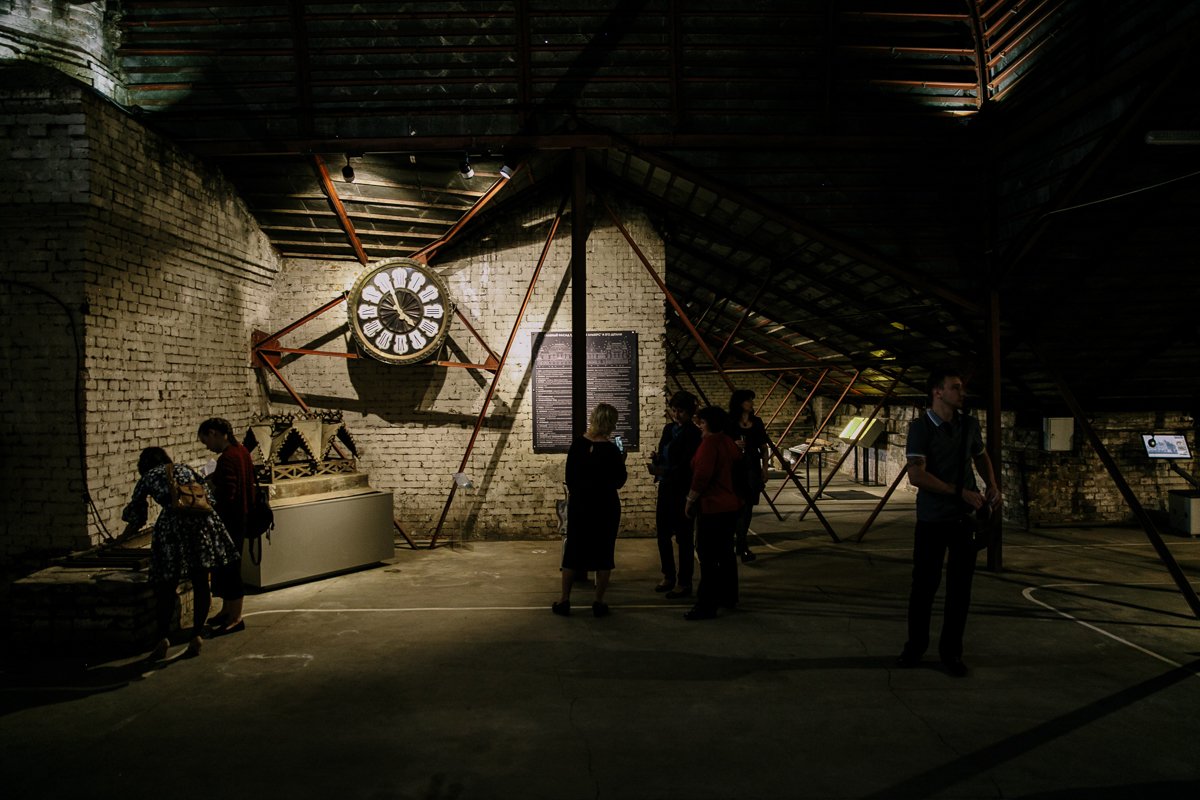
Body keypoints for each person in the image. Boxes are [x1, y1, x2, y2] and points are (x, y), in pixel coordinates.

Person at [897, 367, 1001, 677]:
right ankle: (915, 647)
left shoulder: (969, 425)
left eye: (961, 387)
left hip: (963, 520)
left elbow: (980, 455)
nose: (961, 393)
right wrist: (959, 492)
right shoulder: (921, 428)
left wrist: (992, 484)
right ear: (937, 392)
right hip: (932, 519)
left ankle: (951, 653)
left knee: (960, 590)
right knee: (924, 587)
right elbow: (917, 475)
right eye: (955, 387)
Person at [121, 446, 239, 660]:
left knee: (167, 584)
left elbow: (137, 516)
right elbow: (209, 497)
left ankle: (162, 638)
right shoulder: (185, 469)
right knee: (201, 581)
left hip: (172, 528)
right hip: (201, 524)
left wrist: (122, 537)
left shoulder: (148, 477)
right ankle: (196, 635)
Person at [554, 403, 628, 618]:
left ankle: (564, 600)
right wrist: (622, 461)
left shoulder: (578, 445)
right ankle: (598, 601)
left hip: (581, 505)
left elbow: (570, 479)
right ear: (611, 423)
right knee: (604, 553)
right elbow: (619, 481)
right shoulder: (612, 450)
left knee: (573, 552)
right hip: (606, 506)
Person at [683, 406, 744, 620]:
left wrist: (690, 500)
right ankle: (728, 596)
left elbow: (702, 475)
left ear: (709, 423)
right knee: (726, 554)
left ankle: (706, 604)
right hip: (730, 505)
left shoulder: (709, 444)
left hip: (713, 505)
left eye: (701, 422)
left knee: (708, 557)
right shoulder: (727, 441)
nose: (699, 425)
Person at [199, 417, 256, 636]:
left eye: (206, 440)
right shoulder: (242, 451)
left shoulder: (228, 457)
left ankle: (235, 618)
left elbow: (228, 493)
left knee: (230, 569)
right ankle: (227, 610)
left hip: (229, 521)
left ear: (213, 433)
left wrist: (212, 491)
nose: (207, 446)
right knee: (227, 568)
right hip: (242, 517)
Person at [648, 390, 701, 599]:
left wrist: (665, 471)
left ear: (690, 412)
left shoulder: (694, 434)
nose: (677, 415)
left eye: (681, 411)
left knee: (684, 537)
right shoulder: (669, 429)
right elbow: (665, 453)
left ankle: (684, 581)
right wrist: (657, 458)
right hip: (666, 487)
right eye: (674, 410)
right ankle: (668, 575)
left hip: (682, 489)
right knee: (662, 534)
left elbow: (688, 465)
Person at [728, 388, 770, 563]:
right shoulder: (729, 422)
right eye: (748, 400)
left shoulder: (757, 422)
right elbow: (721, 444)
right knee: (738, 506)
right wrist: (733, 444)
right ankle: (740, 544)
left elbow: (764, 447)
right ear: (740, 403)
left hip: (752, 467)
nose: (752, 403)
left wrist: (765, 468)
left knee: (748, 506)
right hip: (735, 468)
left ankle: (742, 542)